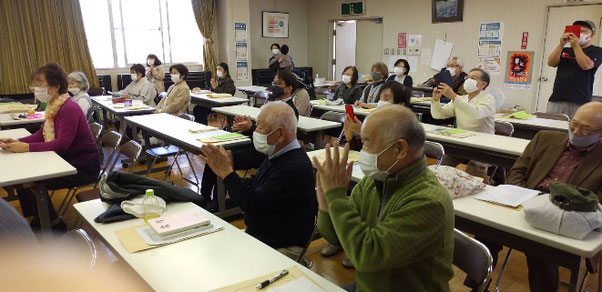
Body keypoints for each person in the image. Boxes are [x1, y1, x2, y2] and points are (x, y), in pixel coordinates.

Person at [313, 106, 454, 292]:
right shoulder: (374, 182)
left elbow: (367, 257)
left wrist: (337, 197)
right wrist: (325, 202)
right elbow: (335, 236)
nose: (362, 151)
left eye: (367, 144)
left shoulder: (429, 202)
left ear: (399, 149)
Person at [469, 102, 602, 292]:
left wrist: (554, 207)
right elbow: (518, 171)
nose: (577, 131)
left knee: (540, 251)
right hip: (523, 201)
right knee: (485, 231)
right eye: (574, 124)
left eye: (585, 129)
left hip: (564, 214)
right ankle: (478, 285)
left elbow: (596, 200)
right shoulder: (545, 138)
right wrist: (523, 197)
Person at [199, 102, 316, 260]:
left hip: (282, 245)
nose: (255, 131)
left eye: (260, 127)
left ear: (280, 134)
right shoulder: (278, 154)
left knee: (221, 260)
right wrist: (227, 171)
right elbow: (256, 185)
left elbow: (251, 205)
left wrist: (226, 172)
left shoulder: (293, 167)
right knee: (211, 247)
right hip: (264, 234)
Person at [0, 63, 100, 231]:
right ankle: (39, 217)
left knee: (30, 179)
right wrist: (16, 142)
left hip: (82, 166)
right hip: (67, 159)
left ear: (56, 86)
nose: (35, 89)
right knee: (23, 176)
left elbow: (62, 144)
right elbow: (42, 134)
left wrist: (25, 147)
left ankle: (53, 224)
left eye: (40, 84)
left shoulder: (69, 108)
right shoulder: (56, 106)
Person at [198, 70, 301, 207]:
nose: (275, 86)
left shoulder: (289, 111)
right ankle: (205, 199)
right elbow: (264, 131)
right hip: (255, 146)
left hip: (264, 153)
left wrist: (252, 128)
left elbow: (273, 138)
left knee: (221, 159)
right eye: (274, 83)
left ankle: (218, 203)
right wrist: (249, 128)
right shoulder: (273, 105)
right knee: (216, 155)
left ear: (289, 88)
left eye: (279, 84)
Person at [547, 20, 602, 118]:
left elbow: (586, 65)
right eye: (577, 31)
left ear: (592, 34)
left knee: (575, 130)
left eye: (583, 31)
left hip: (580, 101)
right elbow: (551, 62)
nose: (579, 34)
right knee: (552, 128)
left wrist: (576, 46)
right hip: (557, 98)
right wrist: (561, 44)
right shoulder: (565, 50)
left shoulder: (597, 51)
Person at [431, 68, 496, 134]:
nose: (468, 81)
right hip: (462, 138)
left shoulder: (488, 99)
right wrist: (435, 100)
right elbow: (437, 114)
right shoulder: (461, 99)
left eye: (472, 78)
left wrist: (454, 96)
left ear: (483, 84)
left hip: (483, 141)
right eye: (467, 78)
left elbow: (476, 114)